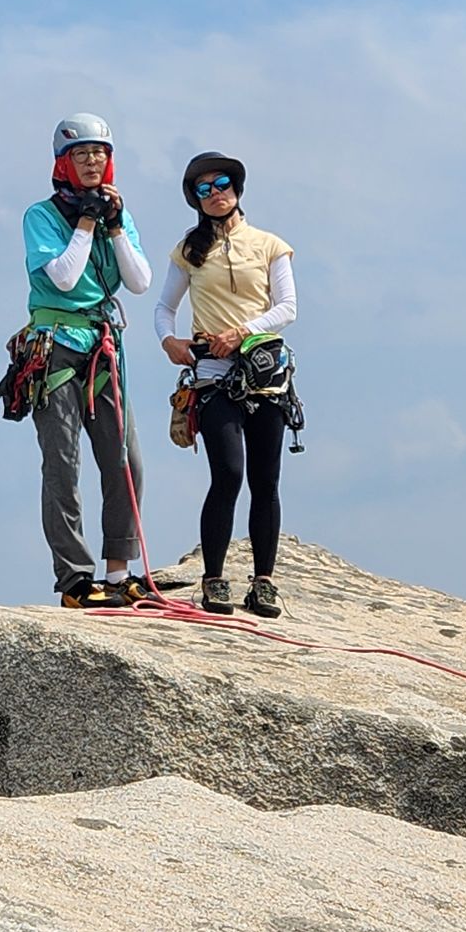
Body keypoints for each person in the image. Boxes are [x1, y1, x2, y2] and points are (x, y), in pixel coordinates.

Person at [154, 152, 296, 617]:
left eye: (222, 185)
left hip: (264, 376)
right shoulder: (189, 251)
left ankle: (264, 581)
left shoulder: (270, 245)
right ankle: (213, 578)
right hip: (214, 377)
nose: (215, 194)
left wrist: (242, 332)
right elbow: (164, 308)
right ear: (195, 198)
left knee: (266, 480)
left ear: (236, 189)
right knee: (229, 474)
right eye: (204, 189)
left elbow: (287, 307)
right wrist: (169, 341)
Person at [24, 115, 151, 609]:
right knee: (63, 463)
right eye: (81, 154)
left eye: (99, 153)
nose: (92, 161)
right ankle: (75, 579)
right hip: (56, 343)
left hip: (103, 344)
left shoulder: (118, 214)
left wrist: (114, 226)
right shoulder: (41, 216)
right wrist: (84, 223)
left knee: (124, 459)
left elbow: (138, 281)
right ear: (64, 162)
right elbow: (63, 277)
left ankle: (118, 571)